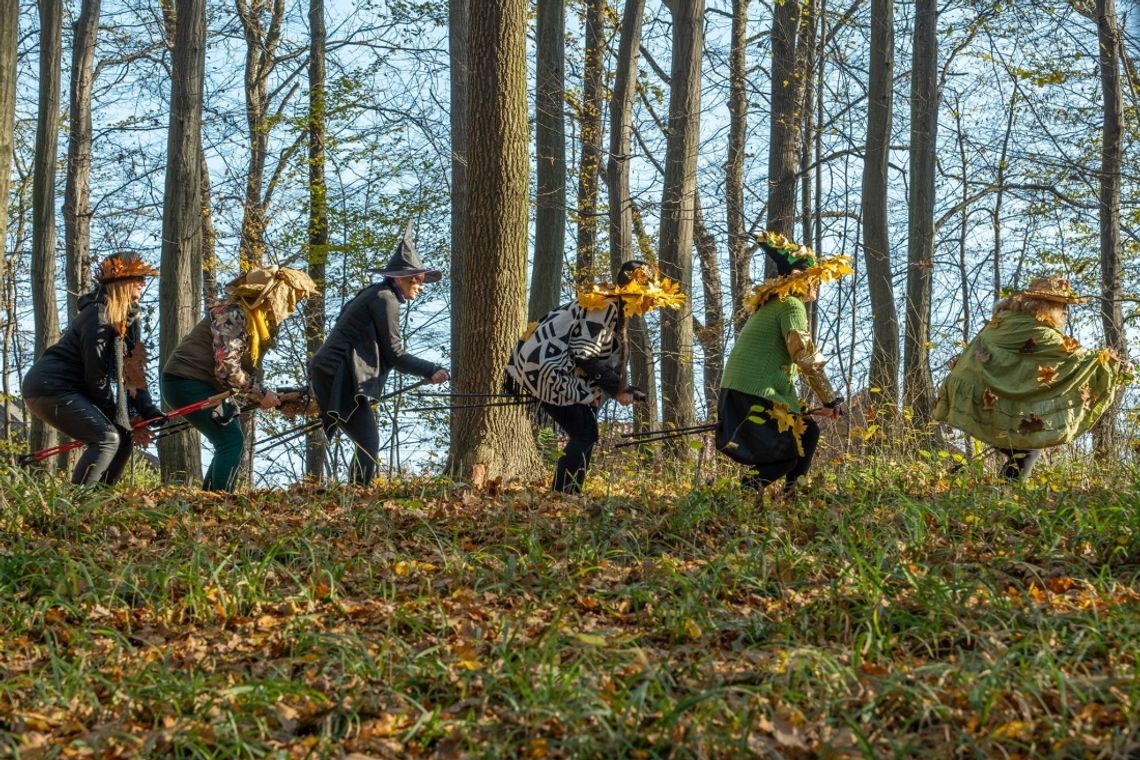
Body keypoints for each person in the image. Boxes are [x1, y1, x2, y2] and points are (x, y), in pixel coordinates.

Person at [507, 260, 685, 494]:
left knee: (585, 431)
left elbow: (593, 360)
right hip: (545, 368)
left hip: (548, 368)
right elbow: (585, 355)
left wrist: (621, 388)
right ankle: (564, 494)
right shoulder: (606, 307)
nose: (647, 304)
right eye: (645, 297)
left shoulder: (614, 308)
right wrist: (616, 390)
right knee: (585, 432)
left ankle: (567, 493)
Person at [933, 275, 1130, 480]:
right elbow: (1072, 358)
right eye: (1062, 305)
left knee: (1022, 449)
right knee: (1028, 449)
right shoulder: (1036, 329)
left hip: (977, 391)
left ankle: (999, 492)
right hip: (986, 394)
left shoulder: (1005, 320)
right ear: (1048, 305)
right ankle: (1006, 497)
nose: (1065, 312)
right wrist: (1111, 362)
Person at [309, 222, 449, 485]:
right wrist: (431, 369)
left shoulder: (380, 295)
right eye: (415, 280)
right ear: (398, 278)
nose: (419, 287)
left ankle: (355, 494)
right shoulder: (386, 299)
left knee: (367, 441)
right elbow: (395, 353)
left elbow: (385, 352)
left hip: (339, 373)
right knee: (369, 442)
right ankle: (356, 499)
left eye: (420, 281)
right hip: (337, 374)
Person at [716, 232, 850, 495]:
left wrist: (812, 406)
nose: (818, 285)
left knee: (807, 431)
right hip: (752, 391)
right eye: (815, 278)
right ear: (800, 279)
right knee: (785, 455)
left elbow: (781, 366)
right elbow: (803, 355)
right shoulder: (791, 305)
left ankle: (793, 496)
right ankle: (738, 497)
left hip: (745, 390)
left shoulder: (774, 303)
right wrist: (831, 400)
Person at [161, 266, 317, 491]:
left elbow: (233, 373)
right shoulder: (234, 314)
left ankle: (208, 503)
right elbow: (226, 368)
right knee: (230, 441)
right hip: (185, 382)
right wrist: (260, 394)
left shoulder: (253, 319)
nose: (291, 306)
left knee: (229, 440)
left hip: (200, 384)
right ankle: (216, 505)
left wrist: (264, 396)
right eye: (289, 298)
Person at [22, 252, 164, 485]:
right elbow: (95, 377)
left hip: (73, 389)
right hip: (50, 388)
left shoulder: (129, 318)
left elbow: (133, 371)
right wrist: (116, 414)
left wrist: (147, 410)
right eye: (137, 277)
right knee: (107, 437)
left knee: (124, 438)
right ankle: (78, 507)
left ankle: (99, 504)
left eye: (143, 278)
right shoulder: (98, 315)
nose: (143, 283)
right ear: (120, 282)